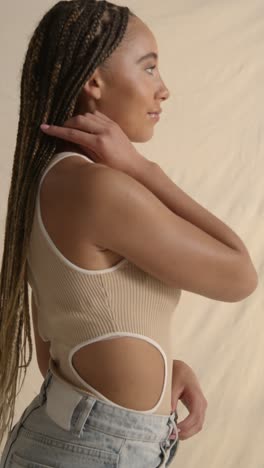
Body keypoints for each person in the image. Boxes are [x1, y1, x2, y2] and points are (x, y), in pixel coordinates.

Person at [0, 0, 257, 466]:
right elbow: (240, 274)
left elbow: (57, 348)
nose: (164, 91)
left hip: (78, 440)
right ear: (94, 82)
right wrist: (143, 169)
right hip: (94, 450)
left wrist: (158, 376)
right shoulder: (98, 187)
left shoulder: (53, 179)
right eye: (150, 68)